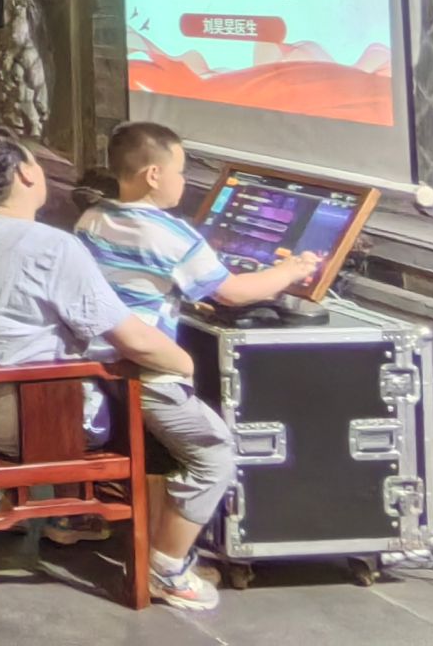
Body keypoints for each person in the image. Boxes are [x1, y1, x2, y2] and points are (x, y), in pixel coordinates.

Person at [0, 132, 206, 608]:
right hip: (20, 423)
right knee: (163, 403)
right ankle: (166, 563)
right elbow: (132, 339)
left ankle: (77, 515)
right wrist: (185, 362)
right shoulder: (53, 246)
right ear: (25, 174)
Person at [74, 121, 319, 608]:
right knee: (215, 454)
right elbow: (234, 292)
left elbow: (134, 281)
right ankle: (167, 569)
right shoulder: (173, 235)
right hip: (142, 370)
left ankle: (76, 518)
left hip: (94, 368)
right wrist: (290, 271)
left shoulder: (92, 218)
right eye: (181, 171)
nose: (184, 182)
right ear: (153, 174)